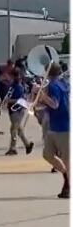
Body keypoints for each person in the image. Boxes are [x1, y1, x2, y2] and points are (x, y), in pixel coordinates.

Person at [35, 63, 70, 198]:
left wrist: (42, 95)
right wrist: (39, 96)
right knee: (47, 154)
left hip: (63, 128)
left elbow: (55, 104)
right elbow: (47, 105)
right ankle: (66, 176)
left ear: (47, 72)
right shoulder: (59, 84)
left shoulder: (55, 86)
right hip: (53, 127)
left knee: (67, 159)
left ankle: (68, 185)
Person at [4, 70, 34, 156]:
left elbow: (20, 100)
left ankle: (13, 148)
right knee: (18, 129)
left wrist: (9, 100)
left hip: (18, 111)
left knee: (14, 129)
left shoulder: (19, 86)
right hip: (13, 110)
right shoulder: (13, 86)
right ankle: (27, 145)